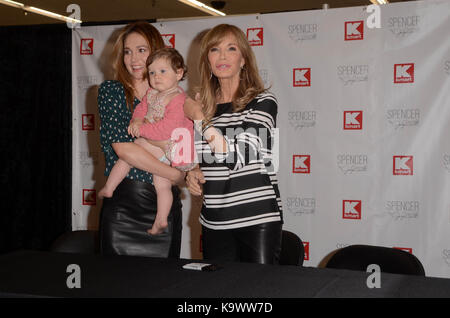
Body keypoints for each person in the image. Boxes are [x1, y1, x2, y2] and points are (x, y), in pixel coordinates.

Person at [184, 24, 283, 264]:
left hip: (256, 220)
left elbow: (237, 157)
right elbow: (201, 157)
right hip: (213, 221)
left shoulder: (262, 102)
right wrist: (193, 171)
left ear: (244, 60)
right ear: (208, 60)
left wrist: (199, 119)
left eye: (231, 48)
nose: (223, 56)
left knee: (257, 296)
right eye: (215, 50)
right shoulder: (203, 107)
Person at [97, 21, 185, 257]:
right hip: (123, 209)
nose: (133, 58)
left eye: (141, 50)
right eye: (127, 51)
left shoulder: (174, 96)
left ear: (156, 52)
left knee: (164, 289)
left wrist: (186, 169)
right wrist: (176, 174)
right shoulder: (112, 91)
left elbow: (184, 144)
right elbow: (125, 151)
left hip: (164, 208)